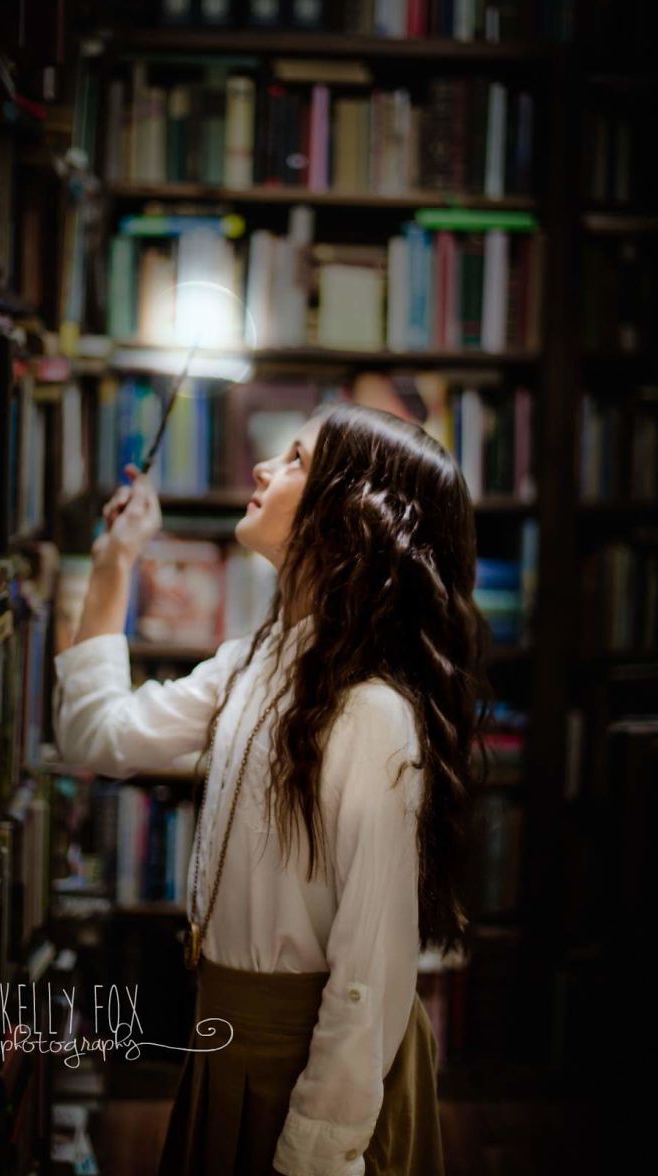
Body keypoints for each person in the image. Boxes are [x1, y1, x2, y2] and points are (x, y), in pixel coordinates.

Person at [52, 399, 493, 1176]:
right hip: (228, 1044)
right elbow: (97, 735)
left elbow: (370, 975)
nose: (262, 469)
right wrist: (117, 561)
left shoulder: (372, 715)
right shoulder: (255, 663)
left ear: (348, 520)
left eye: (295, 461)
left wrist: (318, 1153)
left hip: (316, 1074)